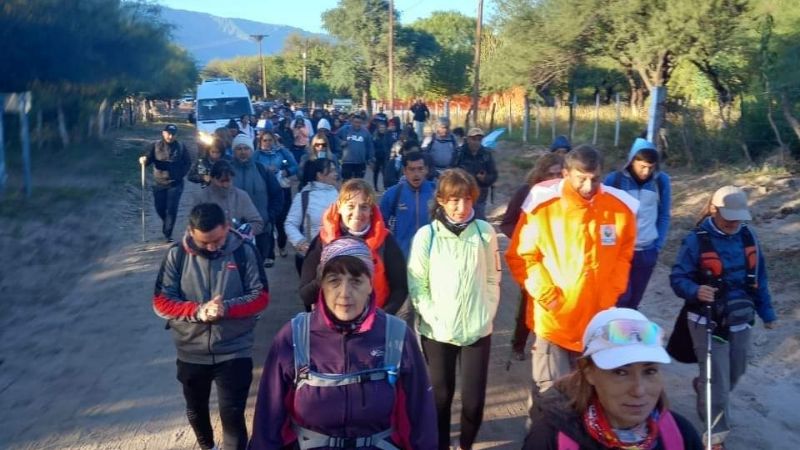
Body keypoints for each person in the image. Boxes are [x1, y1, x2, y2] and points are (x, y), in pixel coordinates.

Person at [248, 238, 437, 449]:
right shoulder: (293, 337)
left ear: (370, 285)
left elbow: (421, 418)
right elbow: (268, 422)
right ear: (321, 285)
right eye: (334, 281)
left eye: (356, 281)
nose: (345, 293)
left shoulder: (397, 336)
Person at [506, 145, 638, 394]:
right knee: (550, 398)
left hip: (596, 324)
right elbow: (522, 257)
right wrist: (548, 296)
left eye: (595, 179)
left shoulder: (619, 209)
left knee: (589, 399)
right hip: (555, 322)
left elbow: (625, 253)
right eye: (582, 179)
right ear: (566, 174)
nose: (589, 187)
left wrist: (612, 292)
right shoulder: (542, 207)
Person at [153, 202, 269, 450]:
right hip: (190, 351)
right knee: (196, 410)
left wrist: (225, 308)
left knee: (233, 414)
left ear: (227, 227)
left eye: (217, 239)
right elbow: (161, 301)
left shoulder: (244, 251)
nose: (212, 247)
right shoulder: (177, 255)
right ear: (191, 232)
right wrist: (198, 311)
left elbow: (261, 297)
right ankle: (207, 446)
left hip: (235, 349)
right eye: (204, 242)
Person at [669, 185, 777, 449]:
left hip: (741, 318)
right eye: (729, 216)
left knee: (735, 371)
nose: (734, 222)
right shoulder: (696, 240)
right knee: (717, 380)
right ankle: (715, 436)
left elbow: (759, 278)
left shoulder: (749, 236)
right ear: (715, 211)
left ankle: (703, 387)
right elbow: (677, 278)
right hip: (707, 321)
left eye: (739, 216)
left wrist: (767, 312)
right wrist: (695, 290)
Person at [407, 168, 501, 450]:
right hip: (437, 331)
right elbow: (418, 285)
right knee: (440, 400)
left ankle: (466, 446)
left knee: (473, 403)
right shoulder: (427, 236)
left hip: (477, 329)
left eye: (468, 200)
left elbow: (493, 278)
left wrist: (486, 312)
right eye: (454, 200)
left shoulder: (485, 233)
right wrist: (434, 317)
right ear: (441, 201)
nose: (462, 207)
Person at [523, 308, 703, 450]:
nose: (639, 390)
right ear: (588, 372)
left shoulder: (680, 435)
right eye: (620, 372)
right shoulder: (550, 439)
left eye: (649, 371)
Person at [299, 179, 407, 314]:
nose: (357, 213)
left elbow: (400, 288)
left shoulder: (386, 241)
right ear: (339, 206)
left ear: (372, 210)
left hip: (373, 324)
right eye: (350, 206)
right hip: (330, 326)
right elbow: (305, 295)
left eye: (364, 207)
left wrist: (381, 319)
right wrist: (321, 279)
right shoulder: (323, 241)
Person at [499, 153, 564, 362]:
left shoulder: (568, 196)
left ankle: (551, 345)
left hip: (560, 262)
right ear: (541, 173)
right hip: (532, 260)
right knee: (528, 302)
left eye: (559, 174)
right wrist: (523, 239)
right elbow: (507, 223)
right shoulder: (527, 192)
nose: (555, 178)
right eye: (550, 173)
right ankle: (518, 344)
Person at [605, 138, 671, 310]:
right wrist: (609, 247)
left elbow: (664, 215)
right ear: (631, 161)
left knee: (634, 301)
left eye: (651, 167)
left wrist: (657, 246)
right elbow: (604, 215)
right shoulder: (615, 180)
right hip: (621, 251)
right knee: (620, 298)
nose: (646, 171)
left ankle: (628, 334)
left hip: (647, 251)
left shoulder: (661, 181)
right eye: (642, 166)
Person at [230, 134, 283, 268]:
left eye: (246, 148)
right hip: (232, 231)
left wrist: (268, 216)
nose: (243, 152)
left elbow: (277, 195)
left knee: (258, 266)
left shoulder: (262, 170)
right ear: (234, 151)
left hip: (260, 229)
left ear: (251, 151)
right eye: (239, 148)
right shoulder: (227, 171)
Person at [285, 158, 340, 278]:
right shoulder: (304, 197)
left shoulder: (338, 195)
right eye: (331, 171)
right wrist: (301, 243)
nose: (336, 174)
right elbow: (290, 224)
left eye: (335, 170)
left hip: (336, 255)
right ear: (319, 175)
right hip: (311, 257)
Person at [139, 123, 192, 242]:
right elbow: (148, 158)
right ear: (163, 133)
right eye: (168, 133)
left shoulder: (181, 147)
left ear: (176, 135)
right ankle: (167, 223)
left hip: (175, 183)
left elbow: (188, 162)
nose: (170, 136)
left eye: (173, 134)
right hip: (159, 183)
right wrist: (144, 160)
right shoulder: (156, 146)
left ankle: (168, 233)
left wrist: (180, 174)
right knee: (160, 208)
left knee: (171, 209)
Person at [379, 151, 435, 259]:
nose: (416, 174)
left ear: (426, 170)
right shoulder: (393, 194)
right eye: (412, 169)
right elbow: (380, 225)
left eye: (420, 169)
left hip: (431, 255)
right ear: (404, 171)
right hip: (402, 257)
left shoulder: (437, 193)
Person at [253, 132, 299, 259]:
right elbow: (251, 168)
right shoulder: (256, 155)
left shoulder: (282, 152)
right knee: (268, 221)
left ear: (274, 140)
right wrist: (265, 171)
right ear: (260, 142)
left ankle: (282, 245)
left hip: (282, 190)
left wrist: (286, 171)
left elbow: (295, 166)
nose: (267, 143)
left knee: (282, 221)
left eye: (270, 140)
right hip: (265, 192)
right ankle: (270, 253)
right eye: (265, 141)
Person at [190, 160, 264, 237]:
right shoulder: (202, 197)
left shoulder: (241, 196)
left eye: (227, 181)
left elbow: (258, 223)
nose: (225, 185)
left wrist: (246, 230)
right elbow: (193, 225)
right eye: (221, 181)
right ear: (212, 178)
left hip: (236, 243)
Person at [450, 127, 498, 220]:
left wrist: (485, 178)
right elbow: (450, 171)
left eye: (479, 140)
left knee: (478, 220)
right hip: (462, 192)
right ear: (467, 139)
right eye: (473, 139)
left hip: (480, 194)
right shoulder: (459, 153)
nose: (476, 142)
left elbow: (494, 175)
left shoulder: (486, 154)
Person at [336, 113, 374, 180]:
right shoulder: (345, 129)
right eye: (355, 122)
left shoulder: (365, 132)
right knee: (346, 182)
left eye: (359, 123)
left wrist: (370, 159)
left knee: (359, 183)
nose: (357, 124)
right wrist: (340, 142)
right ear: (352, 122)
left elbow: (370, 146)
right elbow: (335, 136)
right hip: (347, 162)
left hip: (360, 162)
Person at [372, 121, 395, 191]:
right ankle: (375, 186)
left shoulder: (387, 136)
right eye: (381, 127)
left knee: (385, 172)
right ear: (378, 128)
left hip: (385, 156)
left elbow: (391, 144)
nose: (382, 129)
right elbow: (372, 147)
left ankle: (385, 186)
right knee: (376, 172)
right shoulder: (375, 137)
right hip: (377, 157)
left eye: (383, 127)